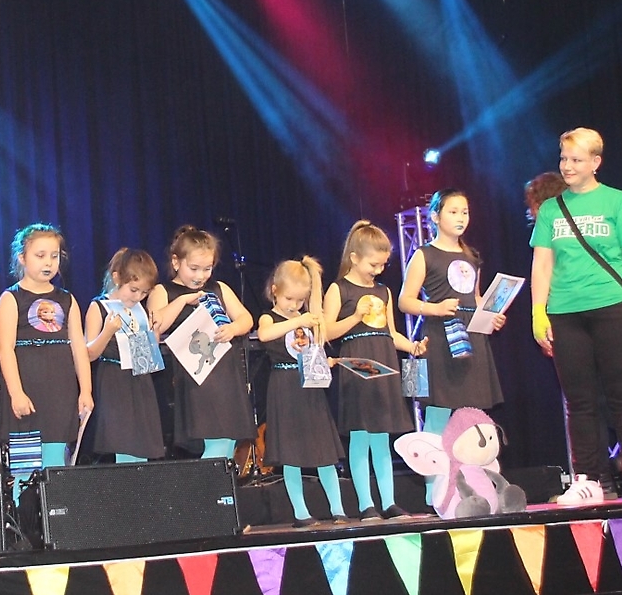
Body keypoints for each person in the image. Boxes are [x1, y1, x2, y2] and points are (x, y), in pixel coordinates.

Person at [525, 173, 622, 496]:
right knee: (583, 402)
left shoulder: (614, 201)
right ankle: (594, 478)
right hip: (568, 315)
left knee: (620, 397)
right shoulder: (551, 217)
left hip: (610, 309)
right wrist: (540, 314)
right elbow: (542, 266)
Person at [398, 188, 506, 502]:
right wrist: (434, 308)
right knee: (438, 412)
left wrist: (492, 316)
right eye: (453, 211)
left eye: (465, 212)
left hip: (472, 337)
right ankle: (435, 494)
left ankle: (477, 488)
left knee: (473, 412)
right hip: (440, 336)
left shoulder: (471, 256)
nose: (461, 218)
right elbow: (405, 300)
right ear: (435, 216)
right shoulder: (424, 255)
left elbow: (476, 297)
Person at [322, 220, 427, 520]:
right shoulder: (339, 289)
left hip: (384, 363)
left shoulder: (384, 291)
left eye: (383, 265)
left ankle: (388, 501)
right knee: (361, 435)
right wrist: (355, 317)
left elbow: (390, 333)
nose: (378, 270)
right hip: (357, 366)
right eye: (373, 264)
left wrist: (413, 347)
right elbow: (326, 332)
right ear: (354, 257)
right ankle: (365, 503)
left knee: (381, 436)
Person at [0, 224, 94, 498]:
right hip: (27, 392)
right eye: (40, 256)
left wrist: (86, 390)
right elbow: (5, 349)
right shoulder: (11, 298)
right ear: (22, 258)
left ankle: (53, 516)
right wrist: (16, 393)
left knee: (54, 463)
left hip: (60, 394)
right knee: (25, 467)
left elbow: (79, 348)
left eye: (54, 256)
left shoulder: (67, 299)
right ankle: (24, 518)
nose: (48, 263)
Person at [148, 226, 255, 460]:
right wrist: (183, 300)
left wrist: (233, 328)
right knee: (216, 442)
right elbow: (156, 324)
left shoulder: (219, 288)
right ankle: (207, 483)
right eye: (194, 268)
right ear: (176, 262)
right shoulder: (163, 291)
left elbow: (246, 318)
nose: (200, 276)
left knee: (228, 442)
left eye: (207, 269)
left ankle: (216, 484)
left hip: (226, 375)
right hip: (196, 378)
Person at [257, 257, 348, 527]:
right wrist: (298, 320)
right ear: (275, 290)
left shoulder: (307, 318)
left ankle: (338, 509)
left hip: (310, 388)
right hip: (284, 387)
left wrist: (324, 360)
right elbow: (264, 335)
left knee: (324, 451)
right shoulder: (269, 317)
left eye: (300, 300)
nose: (294, 305)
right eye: (289, 299)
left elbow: (313, 348)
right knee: (291, 453)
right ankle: (300, 512)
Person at [85, 248, 166, 463]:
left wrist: (154, 334)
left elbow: (148, 357)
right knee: (122, 445)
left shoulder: (140, 310)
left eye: (144, 293)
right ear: (117, 278)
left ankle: (137, 484)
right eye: (133, 290)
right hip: (114, 382)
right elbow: (89, 354)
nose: (138, 297)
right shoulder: (99, 307)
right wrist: (107, 331)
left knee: (141, 450)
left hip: (140, 383)